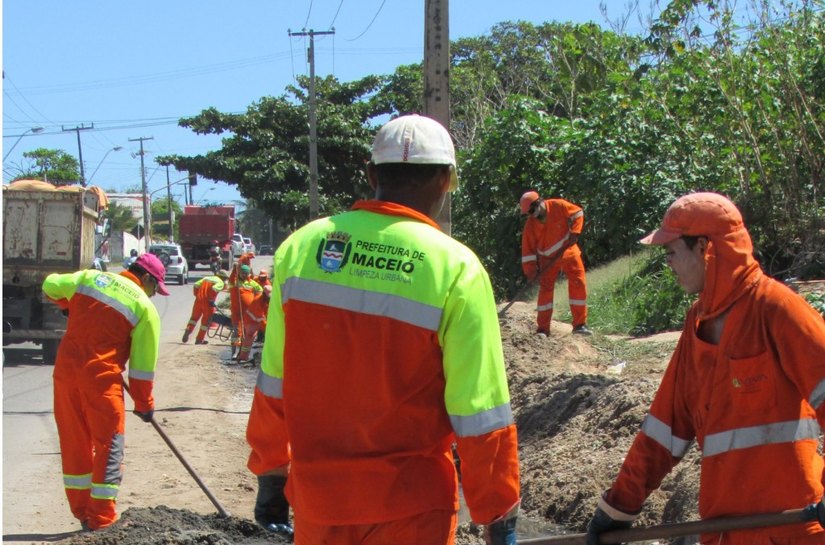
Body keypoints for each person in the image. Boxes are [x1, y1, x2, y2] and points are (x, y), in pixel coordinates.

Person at [246, 114, 520, 545]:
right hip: (412, 509)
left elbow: (274, 381)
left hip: (321, 505)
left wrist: (271, 471)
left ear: (370, 173)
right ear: (447, 180)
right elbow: (480, 409)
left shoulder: (301, 248)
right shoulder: (455, 268)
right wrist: (497, 511)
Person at [586, 192, 825, 545]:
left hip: (791, 529)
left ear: (704, 248)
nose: (668, 263)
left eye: (671, 252)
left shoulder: (777, 310)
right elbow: (663, 431)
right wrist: (618, 508)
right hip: (725, 532)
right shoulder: (696, 325)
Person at [42, 253, 168, 531]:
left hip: (66, 375)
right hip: (100, 383)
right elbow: (141, 369)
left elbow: (49, 285)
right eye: (155, 287)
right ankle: (102, 518)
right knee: (109, 446)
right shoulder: (144, 308)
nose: (154, 293)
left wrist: (67, 302)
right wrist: (144, 404)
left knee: (75, 443)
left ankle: (84, 512)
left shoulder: (89, 279)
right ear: (146, 278)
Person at [519, 190, 591, 336]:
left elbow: (578, 213)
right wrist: (531, 272)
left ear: (539, 202)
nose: (531, 215)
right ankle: (543, 329)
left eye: (532, 210)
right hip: (547, 260)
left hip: (568, 251)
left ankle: (580, 325)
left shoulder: (559, 205)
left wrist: (575, 232)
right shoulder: (530, 226)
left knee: (578, 282)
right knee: (545, 291)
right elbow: (528, 252)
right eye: (528, 213)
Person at [182, 269, 229, 345]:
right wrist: (211, 299)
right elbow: (214, 289)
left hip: (198, 301)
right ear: (223, 278)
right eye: (225, 279)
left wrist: (197, 295)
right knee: (205, 322)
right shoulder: (220, 282)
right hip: (208, 304)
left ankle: (188, 330)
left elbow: (196, 285)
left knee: (193, 318)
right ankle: (199, 339)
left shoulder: (206, 278)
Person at [235, 284, 272, 363]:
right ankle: (243, 357)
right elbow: (260, 318)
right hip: (250, 321)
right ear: (264, 294)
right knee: (250, 336)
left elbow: (266, 313)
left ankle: (243, 356)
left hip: (256, 320)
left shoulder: (266, 300)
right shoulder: (258, 301)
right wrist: (267, 328)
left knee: (250, 337)